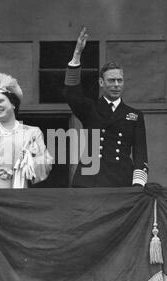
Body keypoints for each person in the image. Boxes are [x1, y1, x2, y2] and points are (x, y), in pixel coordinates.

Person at [63, 27, 148, 187]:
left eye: (120, 80)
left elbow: (140, 153)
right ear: (101, 83)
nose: (116, 85)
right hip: (90, 179)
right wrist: (76, 55)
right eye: (111, 80)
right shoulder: (90, 108)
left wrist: (138, 184)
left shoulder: (134, 115)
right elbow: (71, 94)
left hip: (121, 180)